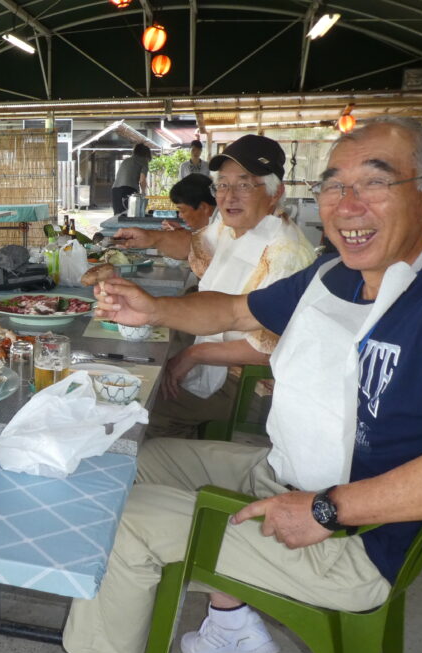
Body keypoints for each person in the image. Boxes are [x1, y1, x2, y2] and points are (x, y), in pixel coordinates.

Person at [26, 117, 422, 653]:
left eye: (375, 182)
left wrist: (329, 509)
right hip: (285, 474)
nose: (347, 205)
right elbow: (233, 310)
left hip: (352, 541)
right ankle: (232, 627)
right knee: (130, 458)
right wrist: (154, 309)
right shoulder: (335, 274)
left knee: (125, 518)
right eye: (333, 185)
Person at [118, 136, 315, 437]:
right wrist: (153, 238)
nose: (229, 196)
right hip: (215, 355)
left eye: (244, 185)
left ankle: (171, 458)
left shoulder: (286, 252)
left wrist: (194, 355)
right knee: (141, 362)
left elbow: (270, 349)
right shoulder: (232, 225)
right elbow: (194, 246)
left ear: (275, 193)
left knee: (140, 406)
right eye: (222, 185)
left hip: (249, 382)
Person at [115, 173, 217, 261]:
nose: (180, 215)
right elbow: (194, 246)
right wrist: (179, 233)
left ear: (203, 208)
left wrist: (152, 237)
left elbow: (192, 249)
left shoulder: (221, 231)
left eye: (182, 210)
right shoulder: (212, 228)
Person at [110, 143, 152, 215]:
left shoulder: (126, 160)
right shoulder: (144, 162)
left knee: (118, 216)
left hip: (115, 189)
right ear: (147, 154)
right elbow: (142, 180)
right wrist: (143, 193)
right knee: (131, 214)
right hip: (129, 189)